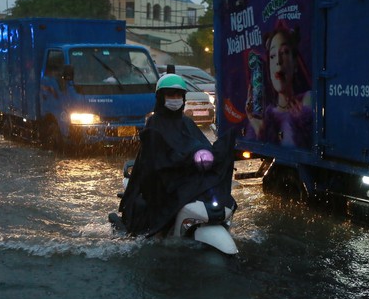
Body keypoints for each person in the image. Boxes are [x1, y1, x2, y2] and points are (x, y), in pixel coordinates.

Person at [114, 73, 236, 237]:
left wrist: (213, 155)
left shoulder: (187, 123)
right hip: (163, 183)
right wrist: (181, 158)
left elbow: (200, 145)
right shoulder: (154, 123)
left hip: (187, 180)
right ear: (161, 97)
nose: (175, 98)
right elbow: (157, 156)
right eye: (171, 94)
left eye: (179, 95)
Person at [245, 20, 313, 148]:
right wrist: (259, 130)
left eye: (285, 52)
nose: (278, 61)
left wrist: (302, 124)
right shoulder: (267, 115)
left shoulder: (307, 101)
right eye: (272, 56)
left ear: (295, 64)